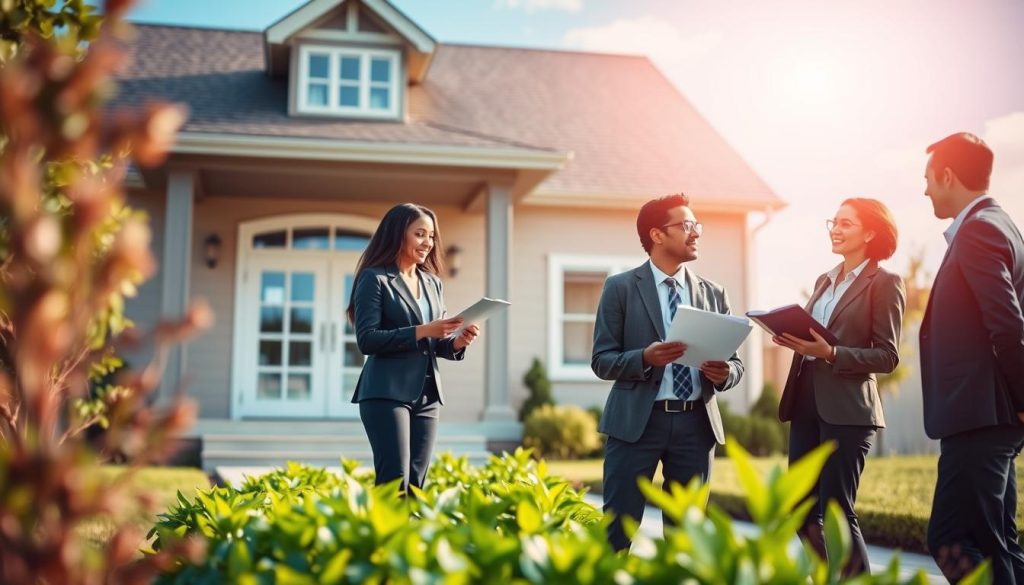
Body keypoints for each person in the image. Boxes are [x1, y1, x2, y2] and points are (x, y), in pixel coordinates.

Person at [591, 193, 745, 552]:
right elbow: (602, 360)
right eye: (686, 226)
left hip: (696, 427)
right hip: (636, 426)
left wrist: (725, 374)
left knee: (687, 540)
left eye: (697, 226)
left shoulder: (713, 293)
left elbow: (736, 364)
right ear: (657, 235)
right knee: (617, 531)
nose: (696, 234)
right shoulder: (620, 288)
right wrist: (645, 357)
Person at [773, 197, 906, 576]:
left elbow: (886, 356)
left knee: (836, 509)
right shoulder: (824, 280)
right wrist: (791, 336)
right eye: (834, 221)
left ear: (870, 232)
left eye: (846, 223)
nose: (835, 228)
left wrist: (831, 353)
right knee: (799, 507)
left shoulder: (885, 283)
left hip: (848, 409)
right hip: (805, 401)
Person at [919, 132, 1024, 583]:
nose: (925, 190)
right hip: (989, 416)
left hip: (981, 416)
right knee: (996, 540)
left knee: (951, 538)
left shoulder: (979, 230)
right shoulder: (1000, 223)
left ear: (947, 175)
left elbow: (1008, 324)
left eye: (928, 179)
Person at [347, 203, 480, 493]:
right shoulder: (375, 278)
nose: (428, 243)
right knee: (394, 484)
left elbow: (434, 342)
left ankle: (413, 539)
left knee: (417, 487)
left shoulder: (433, 283)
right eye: (420, 234)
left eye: (431, 236)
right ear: (398, 234)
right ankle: (382, 538)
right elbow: (367, 339)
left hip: (428, 395)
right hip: (386, 394)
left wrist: (456, 342)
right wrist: (422, 331)